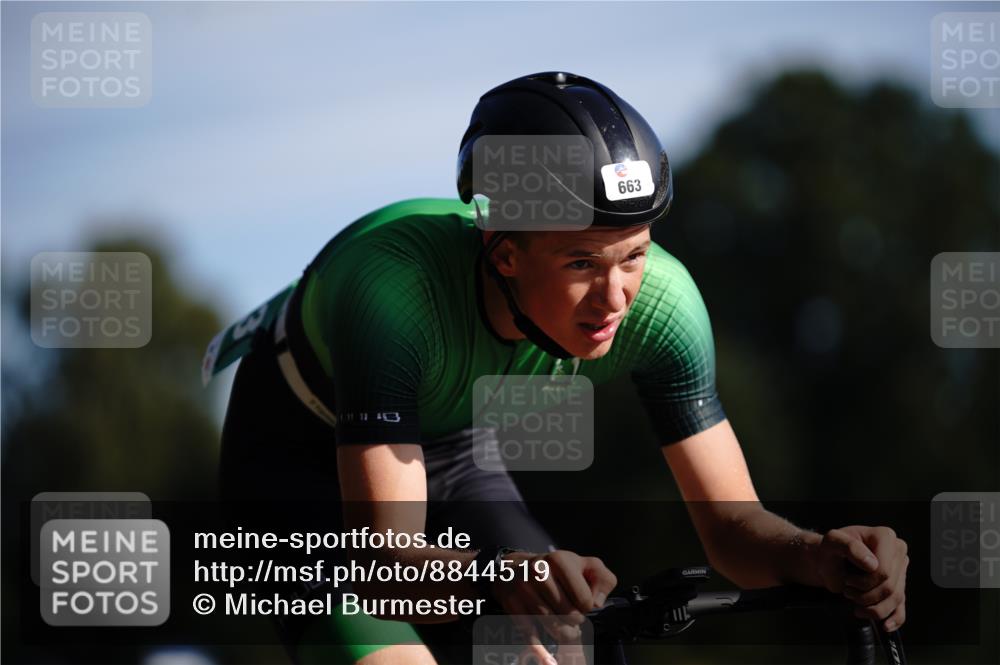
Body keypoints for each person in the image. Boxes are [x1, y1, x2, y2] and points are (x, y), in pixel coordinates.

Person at [205, 72, 909, 665]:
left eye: (634, 254)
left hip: (446, 448)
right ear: (503, 252)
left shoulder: (665, 306)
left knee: (574, 645)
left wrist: (816, 554)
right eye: (581, 263)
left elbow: (730, 529)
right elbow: (388, 563)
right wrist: (498, 577)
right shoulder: (391, 294)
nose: (615, 297)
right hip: (293, 471)